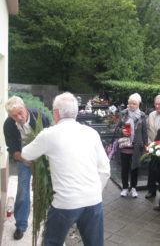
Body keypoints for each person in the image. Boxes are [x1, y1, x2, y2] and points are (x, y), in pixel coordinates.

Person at [21, 92, 110, 246]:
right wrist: (93, 191)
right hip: (93, 199)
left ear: (56, 113)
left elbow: (26, 153)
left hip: (65, 202)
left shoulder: (49, 134)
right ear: (75, 112)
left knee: (51, 242)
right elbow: (105, 170)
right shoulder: (92, 133)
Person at [3, 96, 50, 240]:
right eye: (14, 115)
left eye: (20, 113)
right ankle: (21, 225)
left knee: (45, 190)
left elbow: (50, 140)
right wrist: (25, 159)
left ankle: (46, 222)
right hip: (23, 158)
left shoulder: (40, 117)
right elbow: (13, 150)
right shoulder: (9, 125)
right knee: (23, 191)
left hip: (43, 158)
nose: (18, 117)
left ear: (25, 108)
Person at [118, 93, 148, 198]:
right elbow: (116, 128)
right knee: (125, 168)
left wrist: (145, 145)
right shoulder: (123, 113)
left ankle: (134, 188)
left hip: (136, 147)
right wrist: (121, 130)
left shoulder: (142, 116)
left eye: (134, 104)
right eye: (130, 103)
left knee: (135, 168)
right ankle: (125, 188)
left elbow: (145, 132)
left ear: (138, 104)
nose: (131, 106)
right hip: (125, 146)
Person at [145, 95, 160, 198]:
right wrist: (149, 144)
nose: (157, 106)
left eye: (159, 104)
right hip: (151, 146)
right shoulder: (151, 115)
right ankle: (151, 190)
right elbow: (147, 130)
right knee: (151, 170)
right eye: (156, 104)